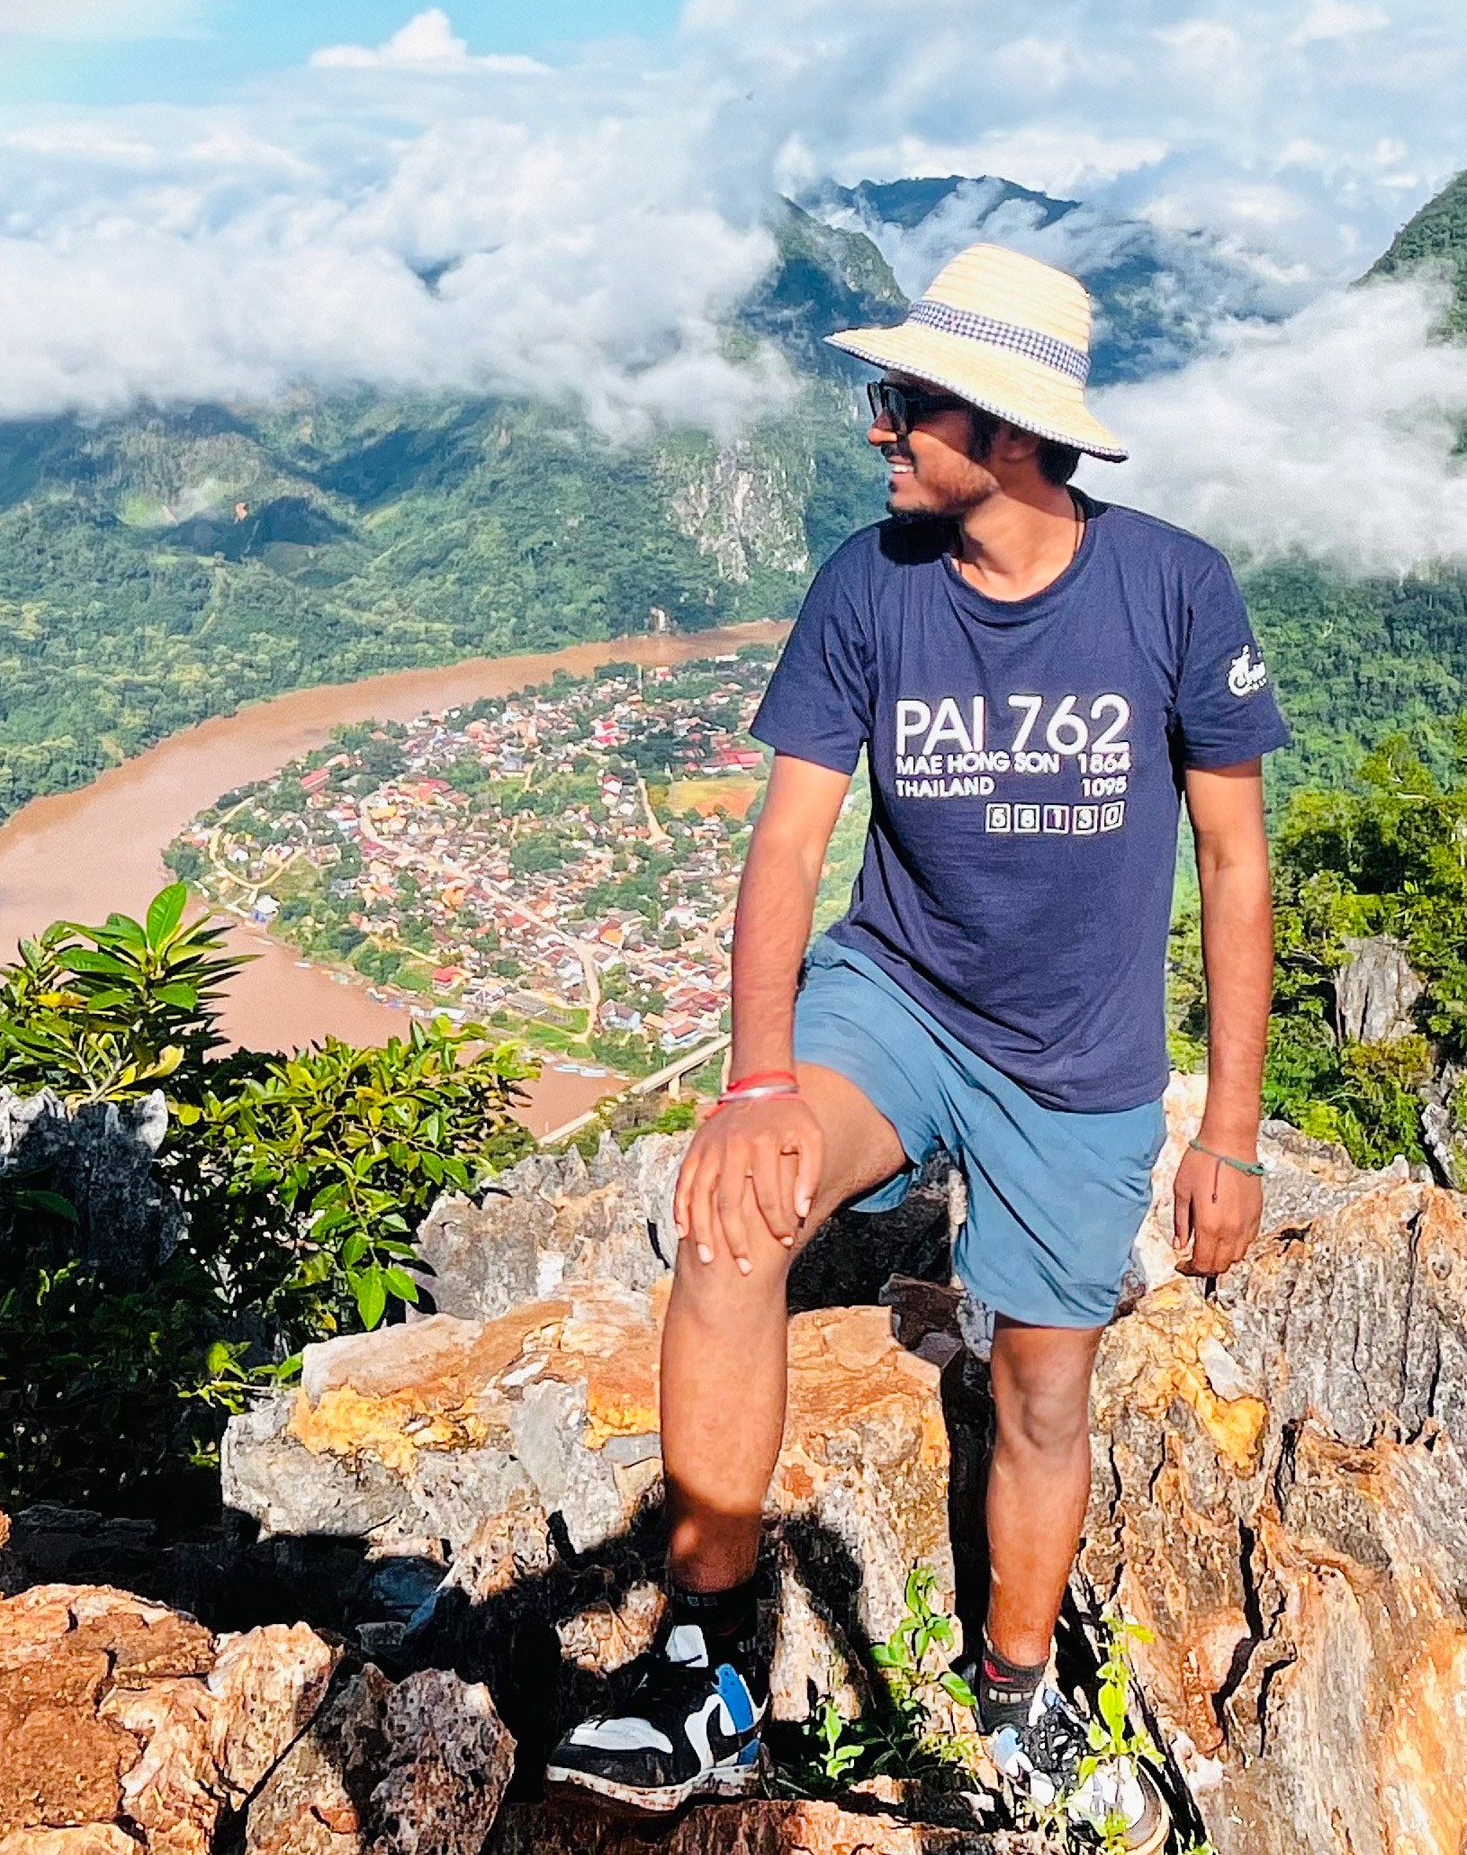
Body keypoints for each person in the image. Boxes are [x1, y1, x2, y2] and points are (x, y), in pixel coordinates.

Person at [544, 241, 1285, 1834]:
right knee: (730, 1228)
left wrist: (1225, 1127)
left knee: (1034, 1391)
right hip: (894, 996)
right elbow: (789, 845)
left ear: (1009, 431)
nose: (878, 430)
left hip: (1077, 1062)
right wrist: (754, 1085)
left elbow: (1234, 861)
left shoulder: (1171, 588)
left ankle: (1012, 1701)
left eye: (905, 403)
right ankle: (704, 1665)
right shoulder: (867, 583)